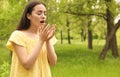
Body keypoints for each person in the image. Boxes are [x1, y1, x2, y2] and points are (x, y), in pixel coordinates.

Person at [6, 1, 57, 77]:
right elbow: (27, 65)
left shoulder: (45, 35)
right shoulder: (18, 35)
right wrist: (41, 40)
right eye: (39, 13)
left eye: (45, 13)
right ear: (28, 16)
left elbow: (53, 62)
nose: (43, 16)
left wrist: (48, 40)